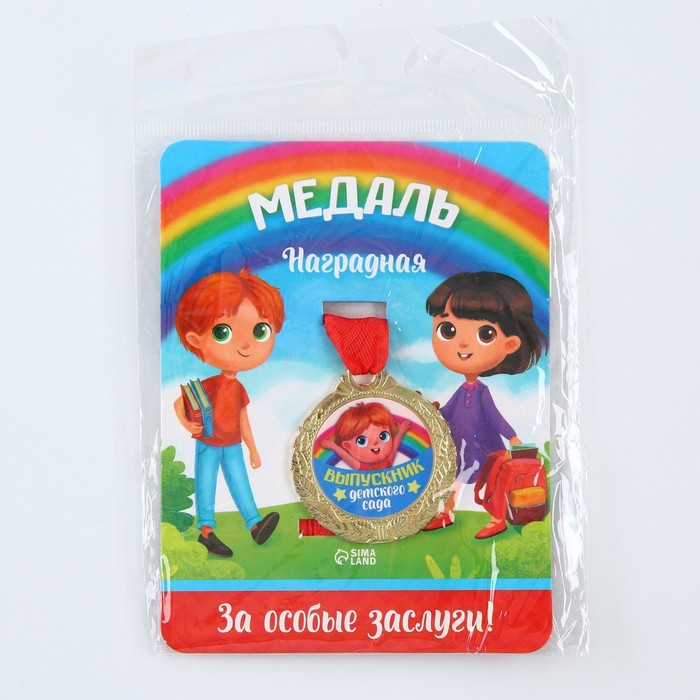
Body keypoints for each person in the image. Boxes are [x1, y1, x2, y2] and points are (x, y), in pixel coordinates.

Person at [424, 271, 547, 538]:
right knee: (455, 481)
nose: (463, 343)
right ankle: (446, 513)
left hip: (484, 448)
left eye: (485, 334)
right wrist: (431, 413)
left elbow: (494, 417)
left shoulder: (482, 392)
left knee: (489, 484)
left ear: (510, 344)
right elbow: (448, 413)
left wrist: (512, 436)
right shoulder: (461, 390)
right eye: (448, 330)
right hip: (460, 446)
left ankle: (498, 518)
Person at [173, 269, 284, 557]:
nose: (246, 345)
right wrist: (188, 425)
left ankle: (255, 525)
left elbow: (242, 418)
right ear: (196, 340)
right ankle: (206, 532)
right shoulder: (209, 385)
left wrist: (253, 448)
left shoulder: (239, 388)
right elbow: (180, 403)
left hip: (233, 443)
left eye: (260, 331)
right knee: (206, 483)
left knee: (240, 481)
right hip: (209, 443)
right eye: (223, 333)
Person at [321, 402, 411, 471]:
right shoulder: (363, 468)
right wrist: (333, 446)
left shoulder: (386, 464)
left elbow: (394, 447)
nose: (375, 442)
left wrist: (401, 431)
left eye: (383, 436)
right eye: (362, 441)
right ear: (347, 446)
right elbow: (346, 456)